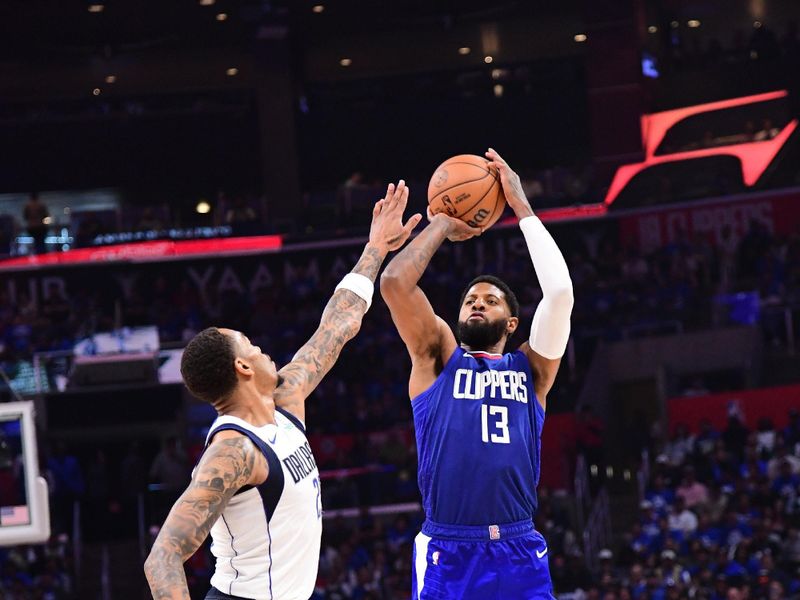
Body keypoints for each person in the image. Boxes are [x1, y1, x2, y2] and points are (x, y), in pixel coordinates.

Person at [144, 181, 421, 600]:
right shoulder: (232, 453)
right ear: (242, 367)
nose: (262, 350)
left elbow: (338, 325)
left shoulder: (286, 399)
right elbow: (163, 557)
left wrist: (377, 248)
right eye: (251, 346)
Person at [380, 148, 574, 599]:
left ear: (511, 323)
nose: (477, 302)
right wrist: (443, 224)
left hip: (519, 546)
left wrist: (521, 205)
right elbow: (394, 285)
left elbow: (560, 292)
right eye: (470, 299)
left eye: (490, 300)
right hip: (449, 549)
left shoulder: (532, 371)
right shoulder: (437, 359)